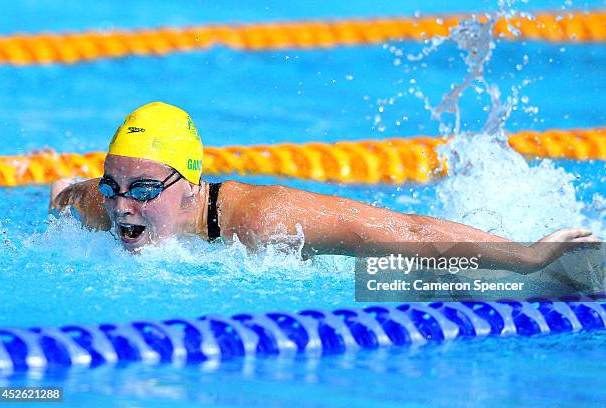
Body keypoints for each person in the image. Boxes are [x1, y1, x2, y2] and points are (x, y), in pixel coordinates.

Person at [49, 102, 601, 273]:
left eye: (144, 188)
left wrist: (526, 256)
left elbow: (401, 230)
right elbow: (63, 194)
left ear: (191, 186)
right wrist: (64, 196)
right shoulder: (104, 208)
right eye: (112, 185)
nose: (124, 205)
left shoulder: (263, 221)